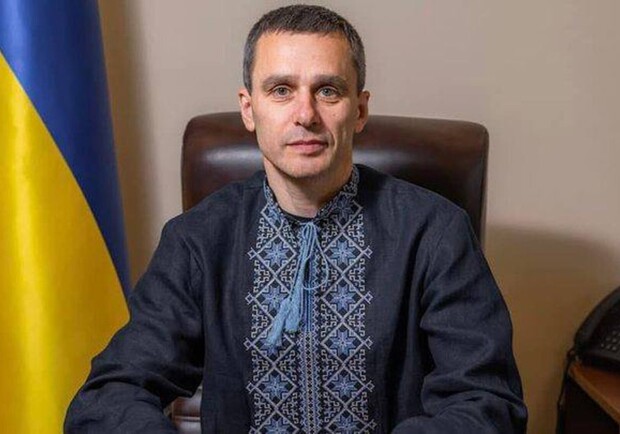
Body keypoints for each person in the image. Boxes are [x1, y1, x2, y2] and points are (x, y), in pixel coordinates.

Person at [65, 5, 527, 433]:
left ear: (359, 110)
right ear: (250, 109)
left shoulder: (435, 233)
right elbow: (108, 397)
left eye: (328, 90)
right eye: (281, 90)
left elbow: (487, 402)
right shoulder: (197, 240)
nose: (305, 115)